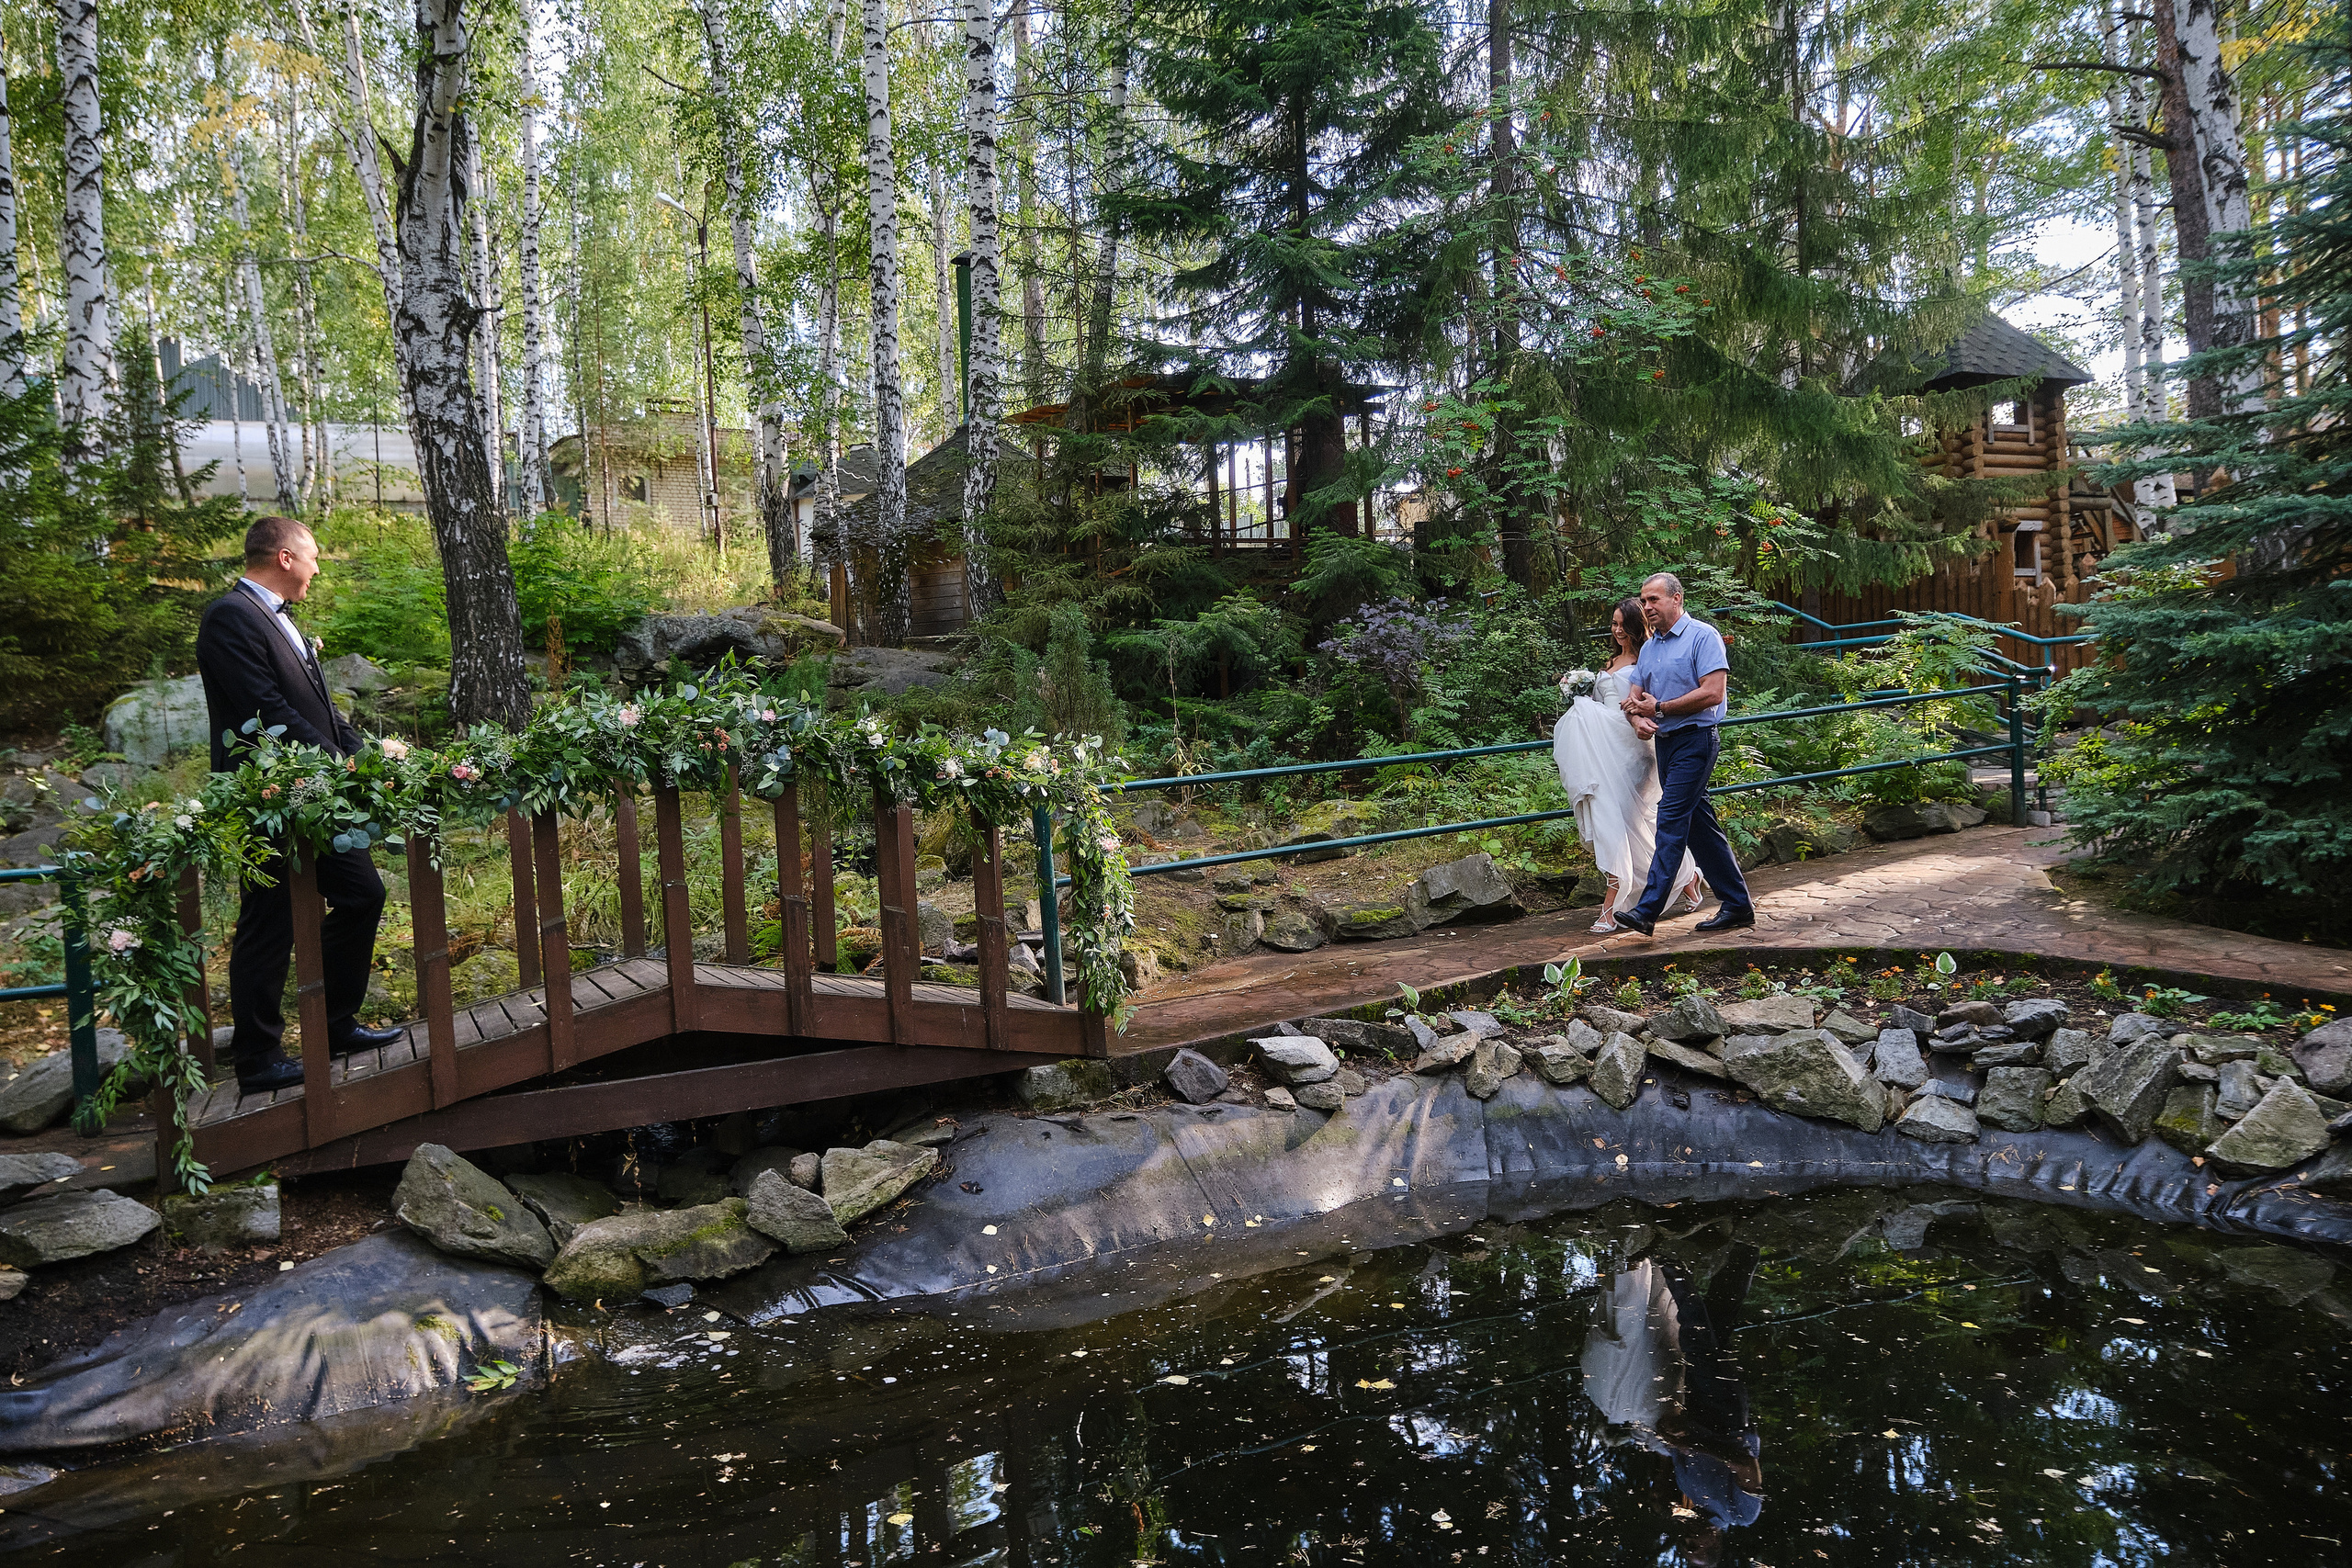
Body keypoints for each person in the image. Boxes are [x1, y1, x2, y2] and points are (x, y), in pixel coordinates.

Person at [197, 515, 401, 1092]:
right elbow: (261, 710)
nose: (318, 567)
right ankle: (258, 1059)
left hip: (315, 793)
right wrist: (336, 762)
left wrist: (363, 753)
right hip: (267, 793)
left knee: (363, 895)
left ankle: (335, 1024)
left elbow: (316, 709)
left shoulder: (281, 621)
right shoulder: (230, 617)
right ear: (285, 558)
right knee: (270, 918)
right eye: (313, 556)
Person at [1611, 571, 1755, 935]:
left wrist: (1658, 710)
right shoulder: (1650, 648)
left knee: (1671, 815)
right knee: (1699, 827)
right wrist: (1635, 720)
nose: (1646, 607)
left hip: (1697, 739)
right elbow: (1633, 697)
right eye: (1643, 601)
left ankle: (1647, 910)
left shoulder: (1702, 637)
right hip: (1666, 743)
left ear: (1677, 599)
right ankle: (1737, 905)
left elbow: (1713, 693)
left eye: (1654, 600)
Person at [1551, 596, 1703, 932]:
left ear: (1637, 625)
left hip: (1634, 753)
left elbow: (1648, 706)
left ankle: (1614, 905)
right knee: (1619, 825)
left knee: (1625, 825)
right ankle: (1688, 873)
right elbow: (1601, 705)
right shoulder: (1611, 661)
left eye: (1623, 624)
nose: (1617, 630)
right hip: (1603, 752)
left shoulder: (1649, 659)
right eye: (1614, 623)